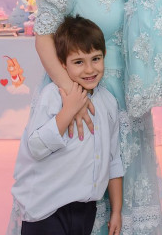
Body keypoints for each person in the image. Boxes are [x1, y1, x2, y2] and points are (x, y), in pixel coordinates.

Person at [32, 0, 162, 235]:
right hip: (82, 93)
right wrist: (70, 96)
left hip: (130, 97)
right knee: (81, 192)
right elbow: (43, 36)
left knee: (126, 184)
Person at [10, 15, 123, 235]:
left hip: (84, 210)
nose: (89, 69)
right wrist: (69, 110)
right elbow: (36, 147)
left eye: (96, 59)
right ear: (63, 64)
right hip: (46, 209)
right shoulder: (52, 96)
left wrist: (116, 210)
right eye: (78, 62)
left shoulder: (108, 102)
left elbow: (113, 159)